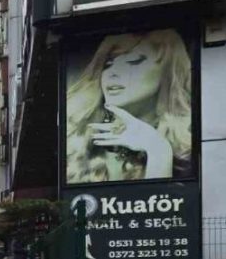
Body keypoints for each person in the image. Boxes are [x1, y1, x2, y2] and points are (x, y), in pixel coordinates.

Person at [66, 29, 192, 184]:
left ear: (167, 71)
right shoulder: (76, 138)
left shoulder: (189, 149)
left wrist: (157, 150)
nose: (113, 72)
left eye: (133, 61)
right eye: (108, 64)